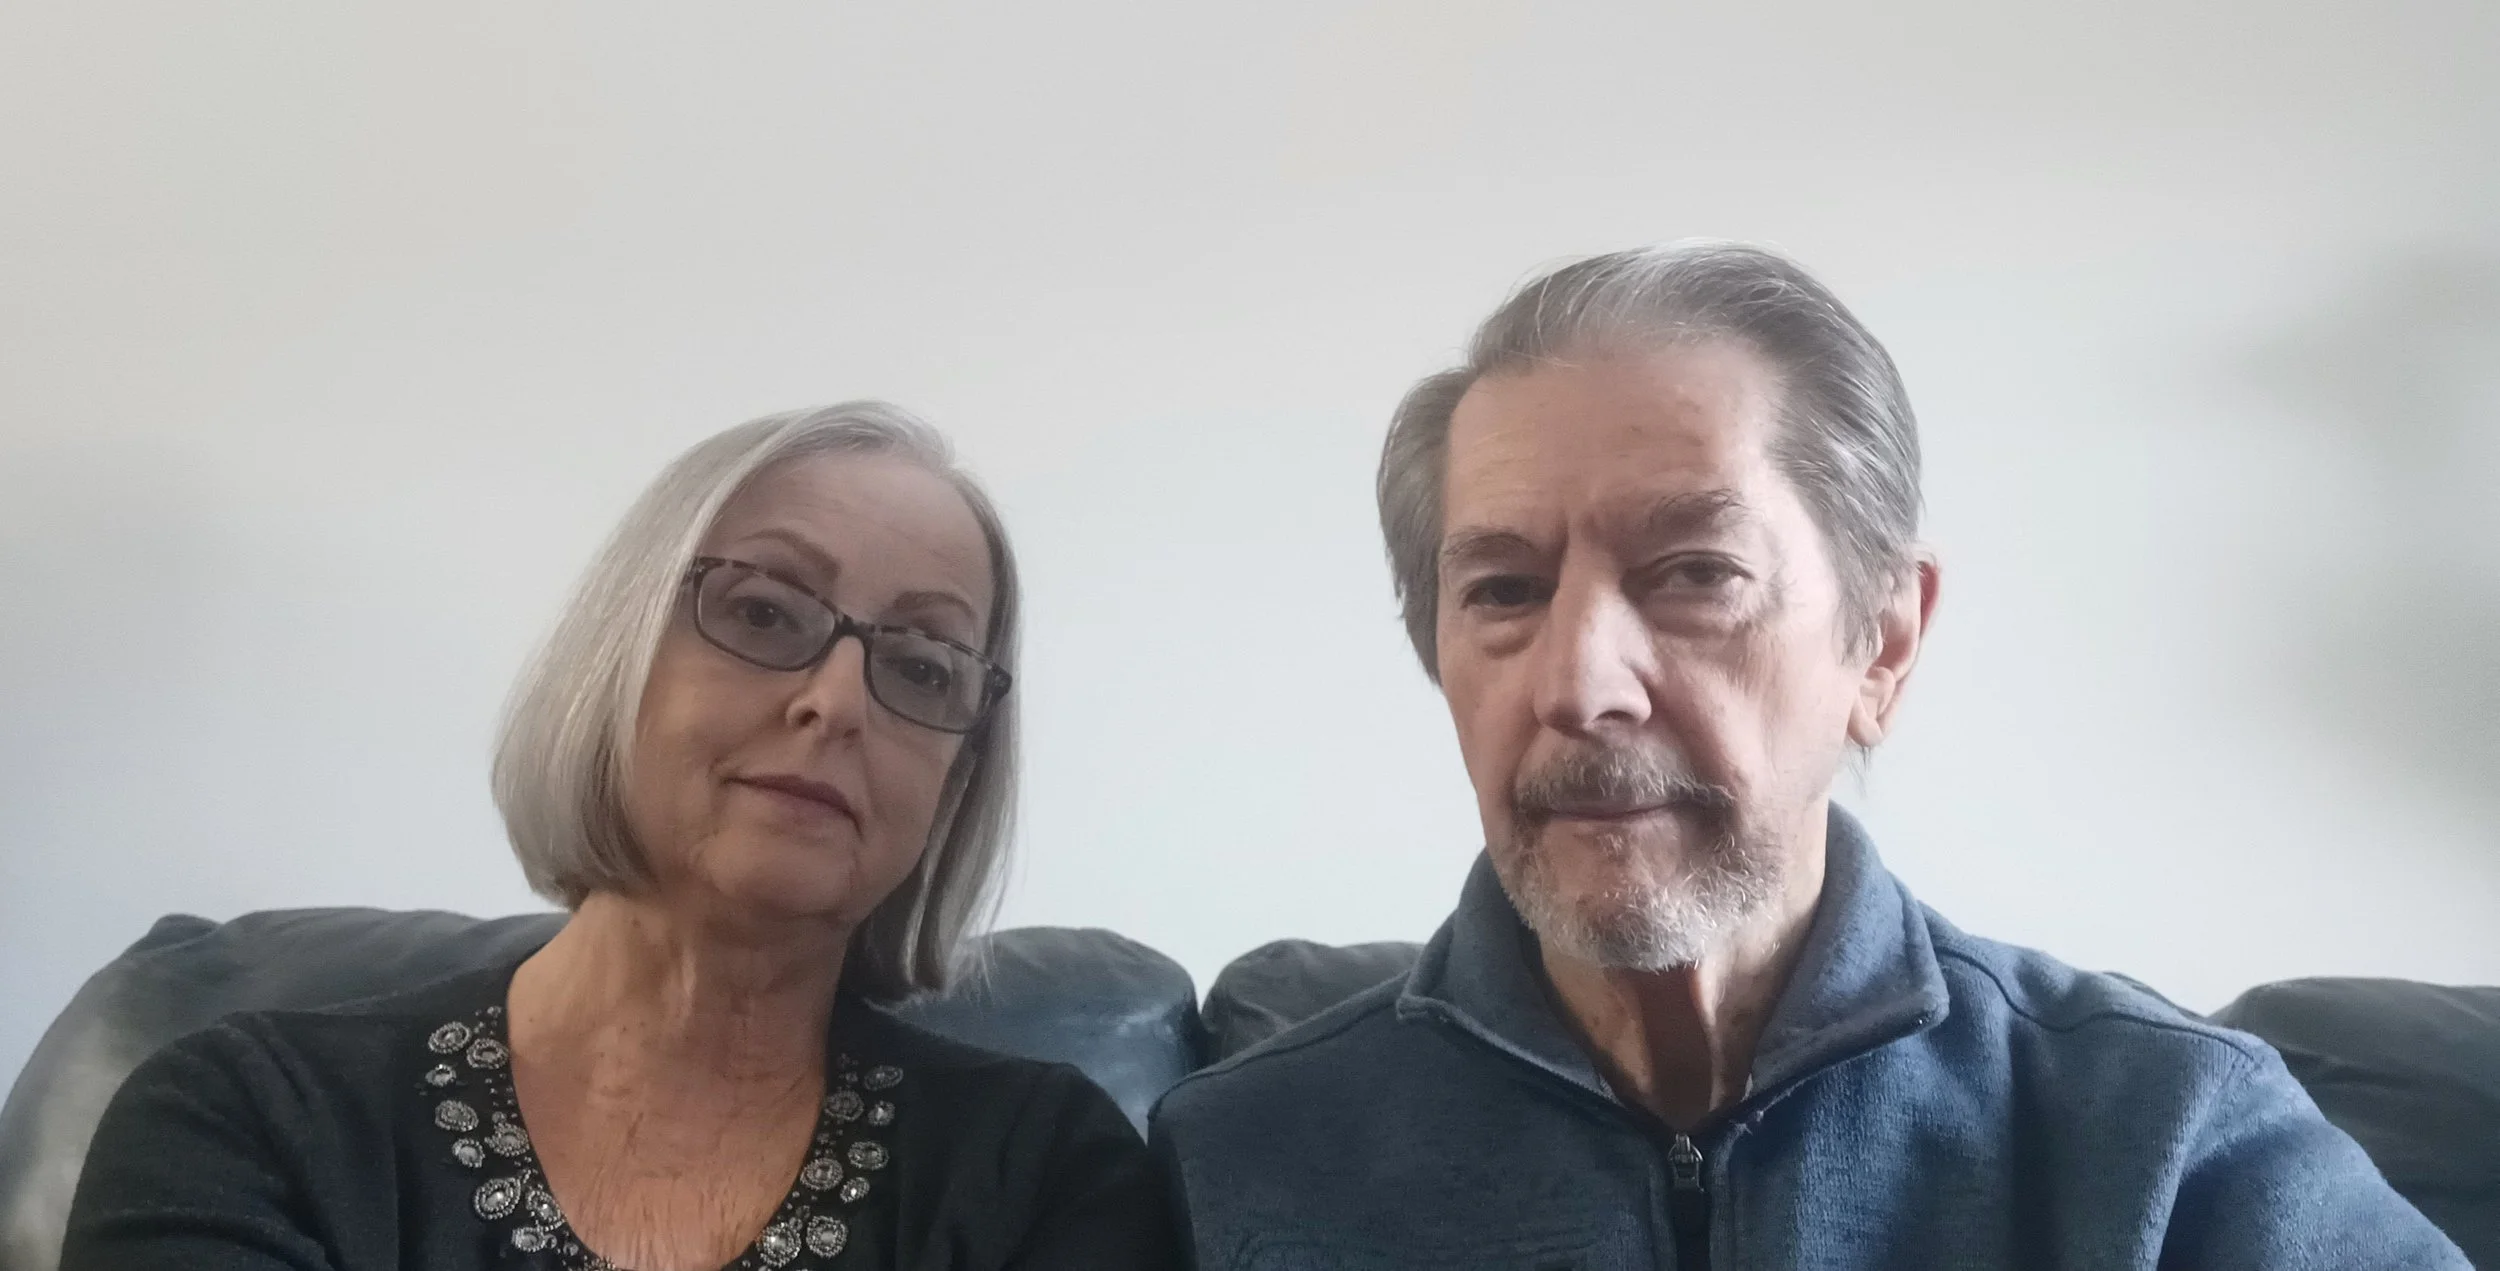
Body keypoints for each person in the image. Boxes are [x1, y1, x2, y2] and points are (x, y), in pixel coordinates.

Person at [1150, 244, 2469, 1268]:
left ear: (1883, 641)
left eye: (1694, 572)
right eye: (1503, 589)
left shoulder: (2161, 1137)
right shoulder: (1242, 1163)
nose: (1579, 684)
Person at [65, 403, 1175, 1271]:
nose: (838, 701)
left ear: (958, 774)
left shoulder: (1045, 1167)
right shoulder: (250, 1115)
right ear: (618, 652)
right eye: (763, 610)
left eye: (924, 666)